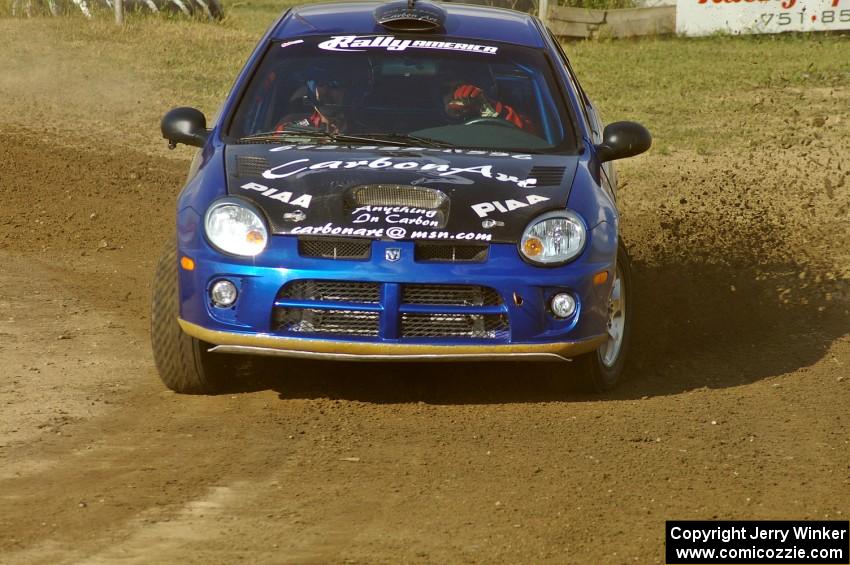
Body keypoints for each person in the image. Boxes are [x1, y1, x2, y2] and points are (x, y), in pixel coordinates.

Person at [444, 83, 537, 133]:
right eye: (446, 90)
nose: (455, 94)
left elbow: (530, 139)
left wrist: (489, 108)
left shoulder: (498, 111)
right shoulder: (431, 122)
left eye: (458, 87)